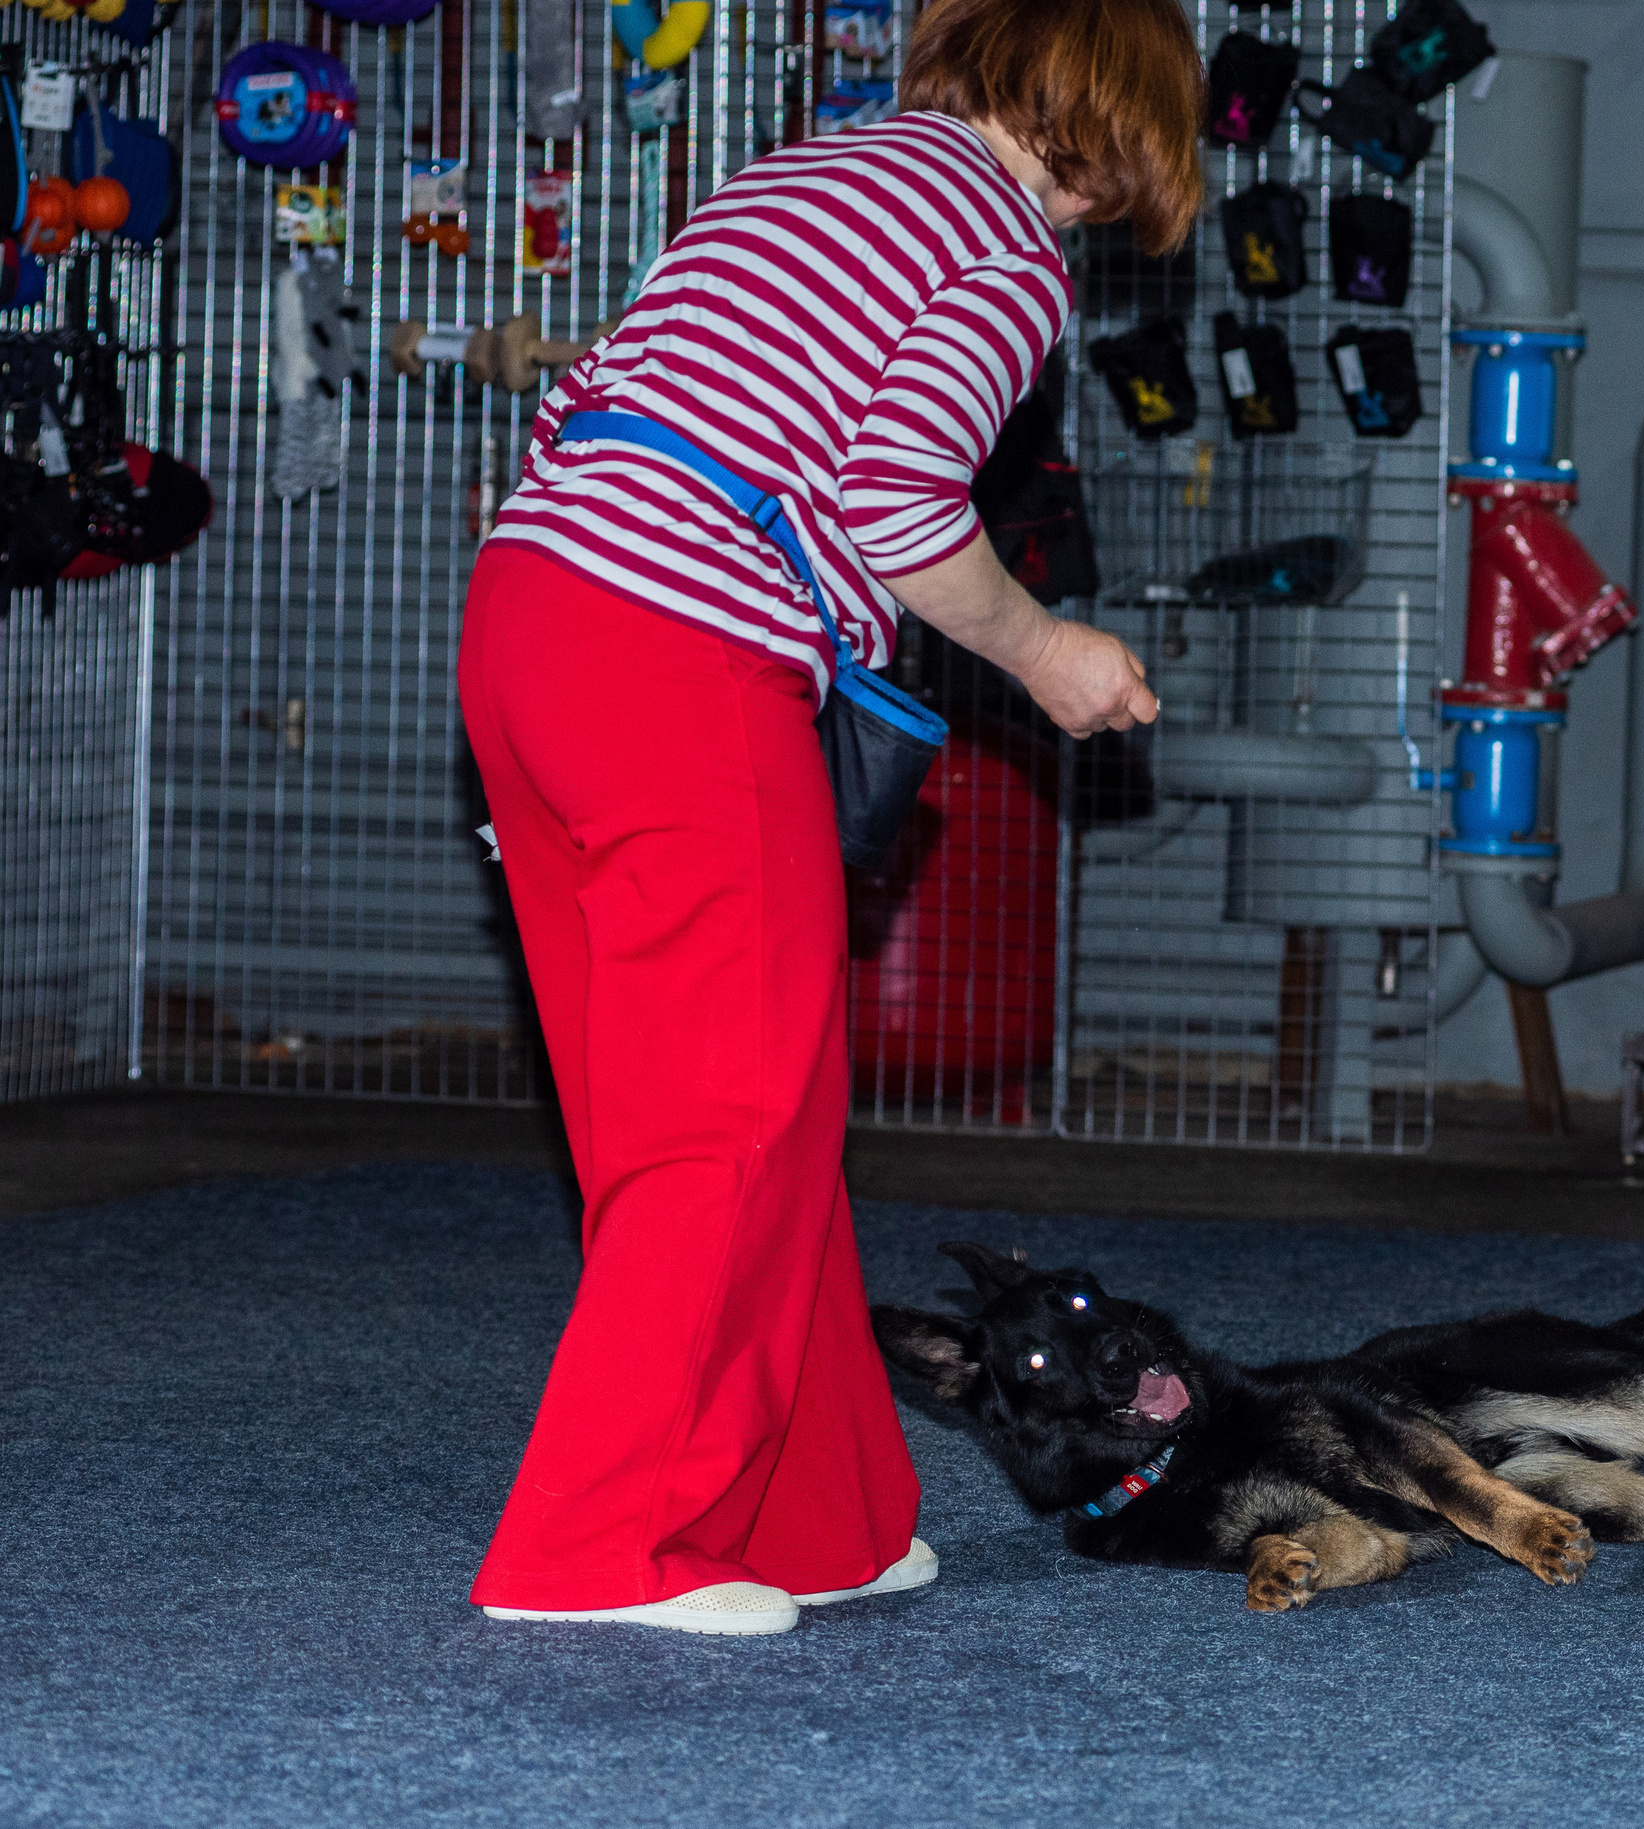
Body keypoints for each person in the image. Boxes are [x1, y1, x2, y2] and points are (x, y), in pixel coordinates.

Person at [456, 0, 1202, 1636]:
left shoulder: (815, 171)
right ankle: (595, 1548)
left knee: (723, 1112)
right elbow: (895, 498)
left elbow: (622, 396)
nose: (1104, 216)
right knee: (727, 1116)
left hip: (535, 612)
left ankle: (820, 1513)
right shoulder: (1006, 253)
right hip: (682, 649)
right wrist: (1047, 651)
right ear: (1107, 124)